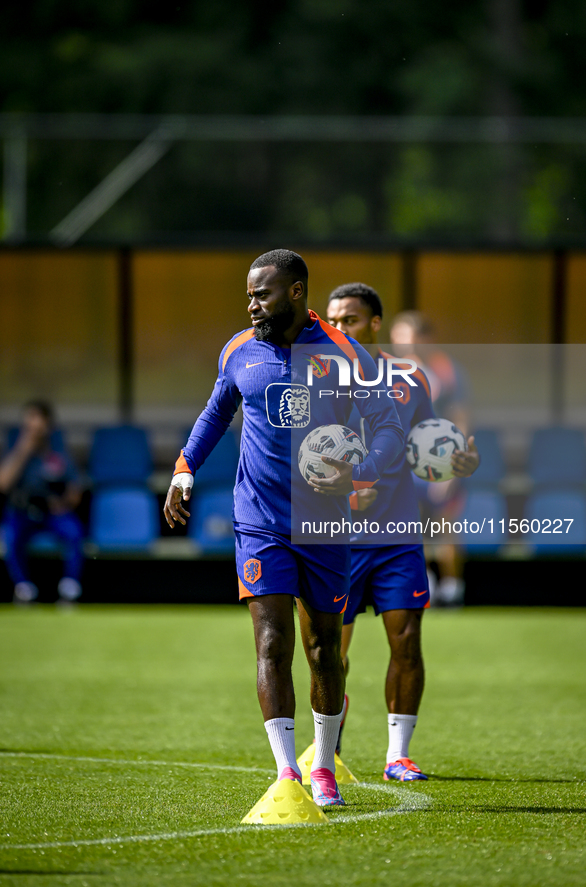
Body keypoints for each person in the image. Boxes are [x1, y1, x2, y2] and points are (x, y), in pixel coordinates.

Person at [164, 250, 405, 807]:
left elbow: (388, 425)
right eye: (248, 294)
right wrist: (183, 469)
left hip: (324, 522)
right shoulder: (239, 350)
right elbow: (214, 414)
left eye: (262, 294)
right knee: (272, 641)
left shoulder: (345, 354)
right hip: (259, 520)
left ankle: (322, 764)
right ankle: (285, 773)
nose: (252, 305)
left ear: (296, 292)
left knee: (324, 648)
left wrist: (362, 470)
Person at [326, 284, 479, 781]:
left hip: (396, 535)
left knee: (407, 642)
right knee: (331, 652)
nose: (339, 328)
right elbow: (299, 455)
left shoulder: (411, 378)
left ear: (375, 324)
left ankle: (398, 755)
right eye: (333, 320)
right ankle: (328, 750)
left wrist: (456, 461)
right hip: (334, 540)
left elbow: (427, 443)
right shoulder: (313, 377)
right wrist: (346, 496)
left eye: (350, 319)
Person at [390, 310, 473, 606]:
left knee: (444, 526)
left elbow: (460, 419)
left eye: (408, 336)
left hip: (439, 462)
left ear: (425, 339)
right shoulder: (392, 371)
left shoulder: (447, 372)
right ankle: (425, 584)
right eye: (397, 337)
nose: (402, 343)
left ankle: (453, 589)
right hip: (403, 465)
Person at [0, 400, 84, 604]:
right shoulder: (16, 449)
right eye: (30, 423)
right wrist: (24, 449)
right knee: (10, 536)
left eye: (39, 423)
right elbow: (3, 484)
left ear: (48, 426)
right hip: (22, 511)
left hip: (50, 512)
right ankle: (24, 589)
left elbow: (75, 488)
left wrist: (63, 503)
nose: (35, 429)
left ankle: (69, 589)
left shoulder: (57, 452)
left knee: (74, 532)